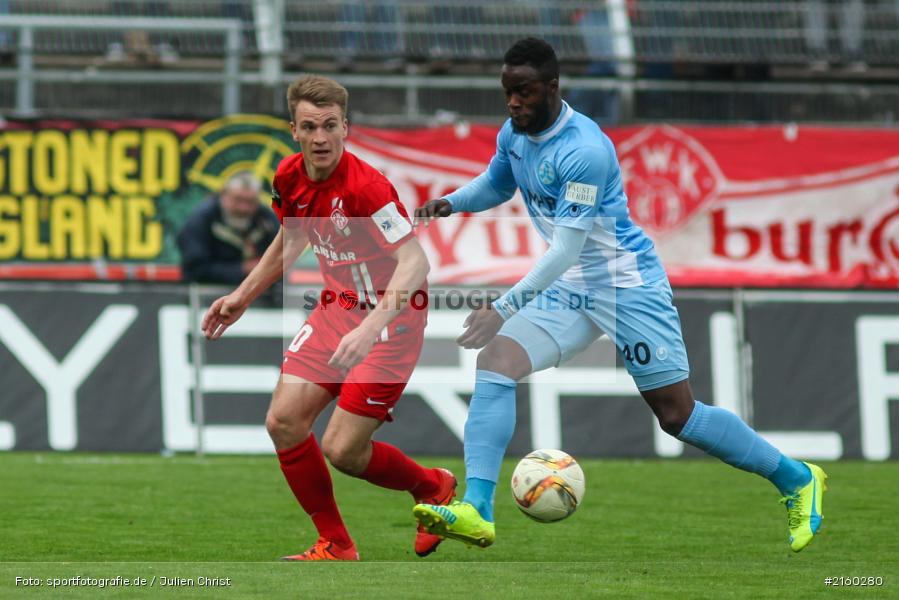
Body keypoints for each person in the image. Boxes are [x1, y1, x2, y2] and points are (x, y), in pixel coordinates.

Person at [412, 38, 827, 553]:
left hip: (626, 285)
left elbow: (566, 248)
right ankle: (476, 509)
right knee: (496, 362)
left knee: (678, 416)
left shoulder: (583, 150)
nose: (514, 102)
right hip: (572, 289)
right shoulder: (514, 133)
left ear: (553, 88)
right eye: (507, 92)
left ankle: (797, 479)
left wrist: (503, 307)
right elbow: (498, 184)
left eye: (524, 92)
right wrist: (450, 203)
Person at [201, 75, 456, 561]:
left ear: (347, 128)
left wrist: (370, 327)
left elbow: (415, 262)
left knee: (344, 452)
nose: (321, 138)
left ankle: (432, 486)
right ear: (292, 130)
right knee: (283, 422)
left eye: (331, 126)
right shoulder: (287, 176)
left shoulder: (367, 188)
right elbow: (293, 239)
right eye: (310, 127)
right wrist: (243, 295)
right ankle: (336, 543)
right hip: (335, 311)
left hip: (390, 326)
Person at [177, 171, 279, 284]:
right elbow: (194, 270)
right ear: (223, 196)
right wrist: (243, 269)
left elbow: (281, 261)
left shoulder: (266, 220)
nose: (244, 208)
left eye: (250, 202)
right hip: (208, 292)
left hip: (257, 294)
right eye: (238, 200)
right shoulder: (201, 220)